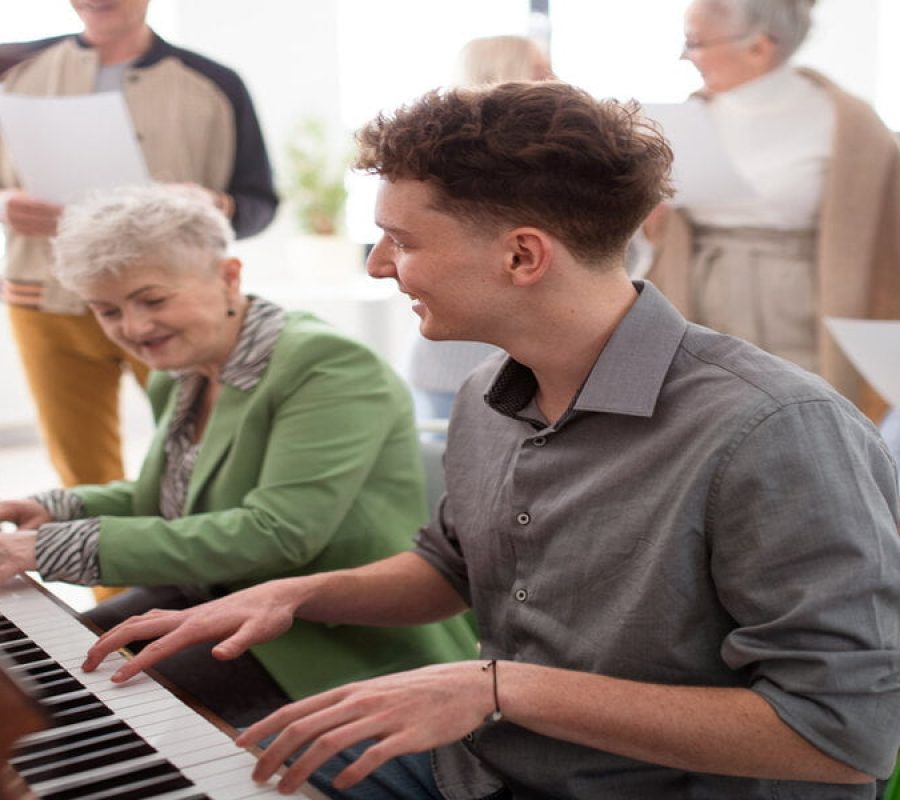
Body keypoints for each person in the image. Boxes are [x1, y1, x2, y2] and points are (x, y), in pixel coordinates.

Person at [81, 83, 900, 799]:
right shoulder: (488, 394)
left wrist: (499, 688)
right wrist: (295, 595)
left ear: (522, 255)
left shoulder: (775, 430)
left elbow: (840, 738)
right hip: (490, 769)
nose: (376, 266)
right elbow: (451, 569)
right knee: (208, 775)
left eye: (402, 241)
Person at [0, 184, 476, 728]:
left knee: (69, 717)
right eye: (107, 310)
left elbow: (275, 534)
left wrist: (51, 548)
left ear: (229, 275)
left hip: (326, 636)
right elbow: (176, 495)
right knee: (32, 678)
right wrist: (56, 509)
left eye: (152, 300)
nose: (132, 328)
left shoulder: (328, 366)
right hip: (211, 601)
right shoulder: (180, 369)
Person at [0, 0, 279, 501]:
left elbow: (259, 204)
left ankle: (207, 577)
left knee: (206, 460)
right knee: (81, 473)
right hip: (45, 302)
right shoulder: (13, 72)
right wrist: (4, 204)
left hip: (176, 301)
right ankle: (113, 582)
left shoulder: (215, 84)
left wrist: (216, 203)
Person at [645, 0, 900, 428]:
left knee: (805, 428)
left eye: (696, 43)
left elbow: (887, 241)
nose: (685, 58)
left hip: (802, 312)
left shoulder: (851, 123)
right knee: (701, 425)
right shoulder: (687, 116)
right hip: (699, 301)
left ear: (759, 47)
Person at [406, 34, 552, 422]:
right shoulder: (443, 168)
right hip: (456, 370)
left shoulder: (551, 164)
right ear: (506, 75)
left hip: (524, 366)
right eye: (542, 70)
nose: (556, 80)